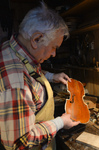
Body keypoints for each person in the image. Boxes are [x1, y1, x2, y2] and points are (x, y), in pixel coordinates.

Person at [0, 2, 80, 150]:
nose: (54, 54)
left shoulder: (15, 49)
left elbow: (30, 70)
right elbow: (20, 142)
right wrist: (61, 122)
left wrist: (51, 76)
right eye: (54, 47)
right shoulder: (16, 82)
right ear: (36, 39)